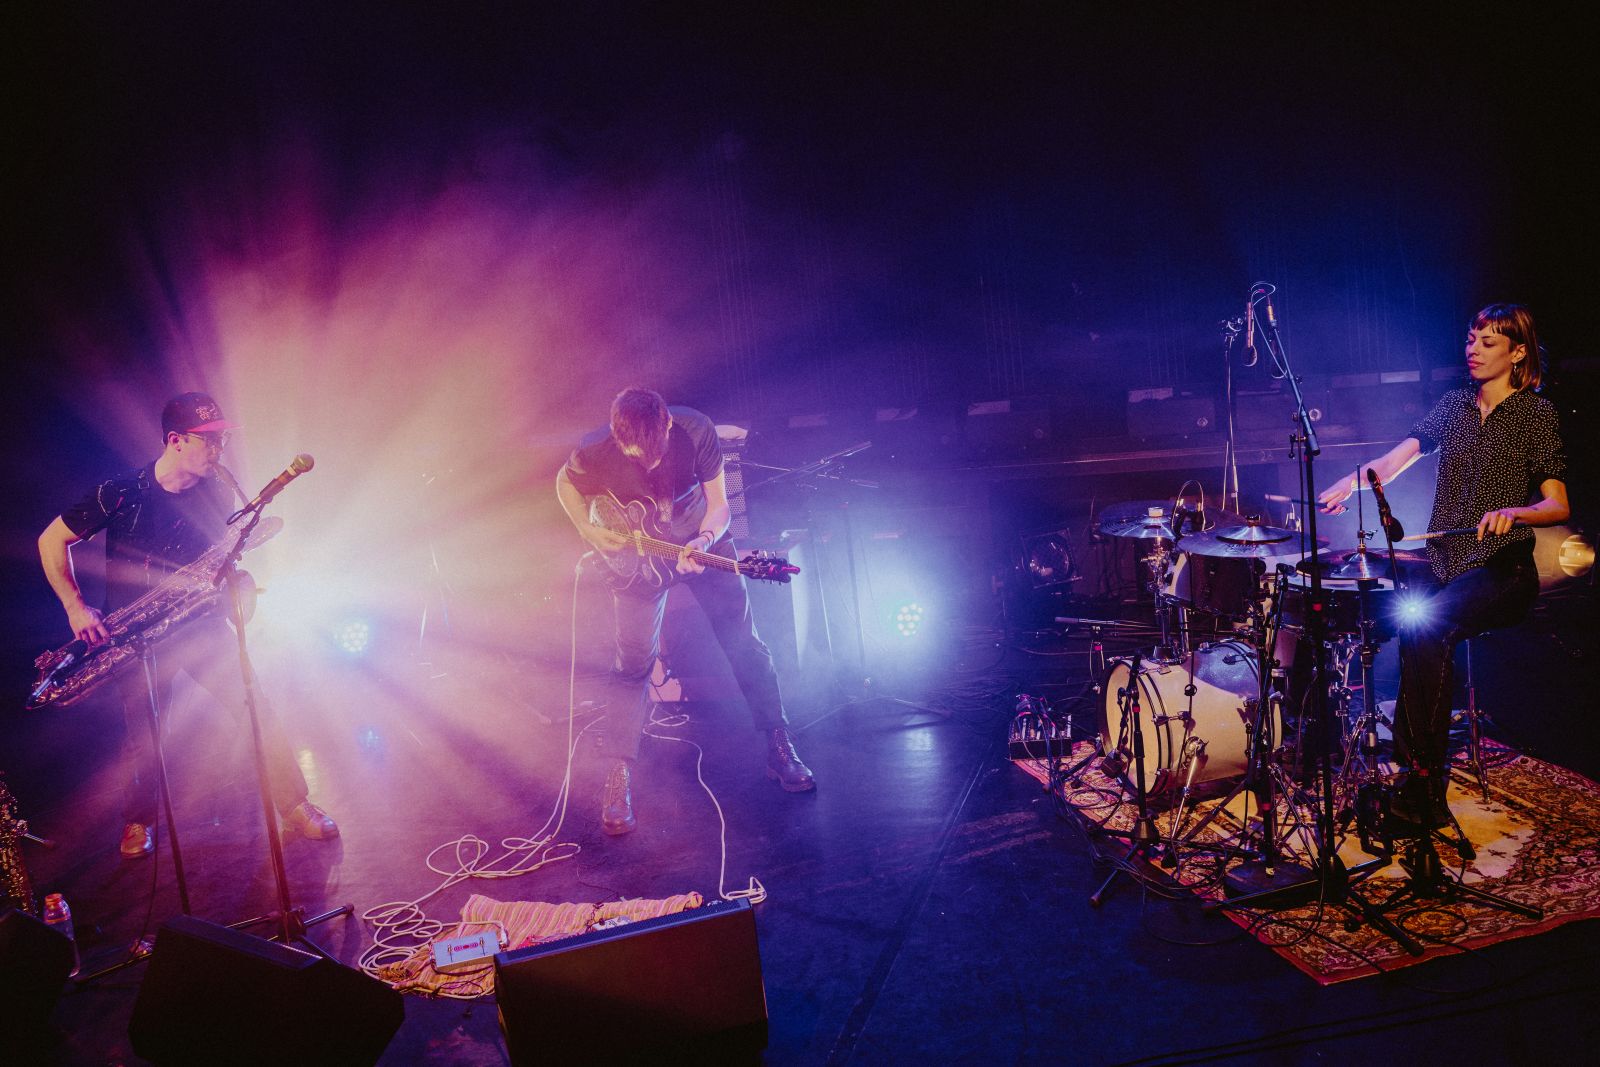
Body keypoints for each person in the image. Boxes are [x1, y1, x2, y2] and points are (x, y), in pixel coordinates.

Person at [37, 392, 337, 858]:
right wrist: (77, 608)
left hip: (199, 627)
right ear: (175, 441)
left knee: (253, 706)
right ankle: (138, 822)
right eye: (208, 440)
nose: (219, 450)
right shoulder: (119, 491)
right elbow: (51, 539)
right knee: (145, 740)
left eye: (221, 440)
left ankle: (295, 806)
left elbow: (223, 554)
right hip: (136, 638)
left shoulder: (217, 491)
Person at [1318, 304, 1569, 828]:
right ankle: (1332, 745)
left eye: (1488, 342)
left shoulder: (1536, 415)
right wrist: (1352, 480)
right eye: (1471, 339)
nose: (1473, 349)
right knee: (1374, 613)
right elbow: (1391, 462)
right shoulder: (1454, 406)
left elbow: (1558, 505)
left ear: (1518, 352)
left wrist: (1513, 511)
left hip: (1502, 572)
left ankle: (1422, 791)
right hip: (1444, 564)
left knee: (1427, 631)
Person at [556, 387, 815, 835]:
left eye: (656, 453)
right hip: (637, 561)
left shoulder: (696, 430)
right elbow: (565, 482)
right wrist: (589, 531)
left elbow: (720, 507)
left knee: (744, 644)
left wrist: (704, 541)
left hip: (701, 540)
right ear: (619, 439)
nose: (651, 465)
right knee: (632, 665)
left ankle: (779, 745)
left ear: (667, 426)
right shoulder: (595, 448)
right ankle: (619, 776)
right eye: (640, 457)